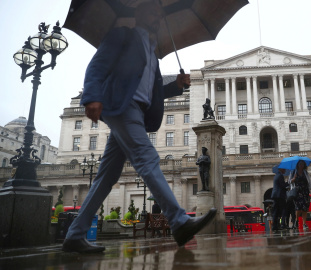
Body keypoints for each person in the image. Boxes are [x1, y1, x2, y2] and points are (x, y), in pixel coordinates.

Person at [62, 1, 216, 253]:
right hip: (122, 107)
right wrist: (90, 96)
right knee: (147, 158)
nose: (156, 15)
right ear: (139, 14)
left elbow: (152, 92)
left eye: (158, 12)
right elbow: (97, 65)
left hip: (139, 113)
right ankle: (179, 221)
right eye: (151, 10)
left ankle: (75, 235)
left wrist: (176, 86)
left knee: (106, 177)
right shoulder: (122, 35)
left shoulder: (153, 57)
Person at [288, 160, 311, 230]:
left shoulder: (305, 172)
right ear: (298, 165)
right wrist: (293, 178)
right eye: (300, 164)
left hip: (305, 191)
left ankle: (304, 224)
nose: (301, 165)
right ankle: (296, 220)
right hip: (297, 191)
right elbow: (289, 181)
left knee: (305, 208)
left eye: (303, 164)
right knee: (298, 207)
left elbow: (309, 181)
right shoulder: (293, 171)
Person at [271, 166, 288, 231]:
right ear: (281, 169)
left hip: (275, 195)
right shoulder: (280, 176)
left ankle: (274, 226)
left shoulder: (275, 176)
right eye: (284, 169)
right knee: (283, 210)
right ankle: (283, 224)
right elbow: (283, 185)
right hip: (280, 195)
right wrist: (289, 182)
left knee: (275, 211)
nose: (285, 170)